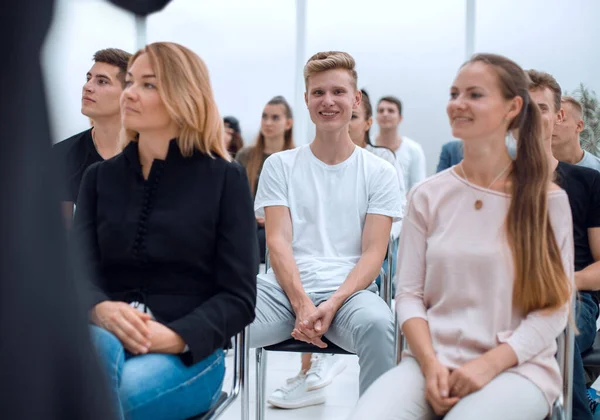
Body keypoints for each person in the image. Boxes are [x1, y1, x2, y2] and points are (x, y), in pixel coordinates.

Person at [350, 53, 574, 420]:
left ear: (512, 107)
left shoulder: (547, 200)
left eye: (474, 95)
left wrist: (487, 366)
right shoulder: (427, 195)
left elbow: (554, 310)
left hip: (518, 368)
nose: (458, 104)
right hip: (428, 362)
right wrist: (430, 363)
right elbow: (408, 296)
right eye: (454, 94)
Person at [73, 42, 258, 420]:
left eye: (148, 85)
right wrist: (100, 308)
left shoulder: (225, 179)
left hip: (189, 353)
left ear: (183, 96)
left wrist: (175, 338)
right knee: (87, 366)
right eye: (130, 83)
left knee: (107, 397)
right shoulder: (98, 178)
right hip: (101, 336)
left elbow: (239, 297)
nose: (130, 94)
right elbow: (74, 273)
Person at [250, 51, 402, 410]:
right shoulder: (280, 165)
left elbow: (373, 253)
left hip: (350, 296)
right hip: (283, 293)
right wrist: (302, 303)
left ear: (355, 100)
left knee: (381, 327)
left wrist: (331, 303)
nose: (328, 101)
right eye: (318, 92)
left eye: (338, 92)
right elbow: (277, 242)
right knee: (217, 313)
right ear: (306, 100)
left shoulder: (379, 172)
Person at [527, 69, 600, 420]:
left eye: (540, 108)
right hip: (510, 298)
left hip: (574, 297)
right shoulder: (494, 183)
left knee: (555, 329)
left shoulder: (589, 182)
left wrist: (562, 282)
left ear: (558, 116)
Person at [52, 48, 131, 226]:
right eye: (89, 79)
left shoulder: (153, 152)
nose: (87, 87)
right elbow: (62, 234)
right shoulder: (63, 154)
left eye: (102, 81)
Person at [236, 96, 295, 264]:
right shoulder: (245, 156)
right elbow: (236, 196)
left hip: (283, 226)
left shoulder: (295, 158)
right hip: (249, 223)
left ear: (288, 124)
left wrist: (273, 218)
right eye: (265, 116)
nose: (268, 122)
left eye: (275, 118)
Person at [375, 95, 427, 191]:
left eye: (391, 111)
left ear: (400, 118)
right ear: (376, 117)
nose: (385, 114)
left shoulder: (414, 149)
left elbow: (418, 187)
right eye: (381, 111)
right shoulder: (365, 146)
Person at [553, 96, 600, 171]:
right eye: (550, 119)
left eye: (560, 119)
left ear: (579, 126)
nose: (552, 125)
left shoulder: (596, 169)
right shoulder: (533, 169)